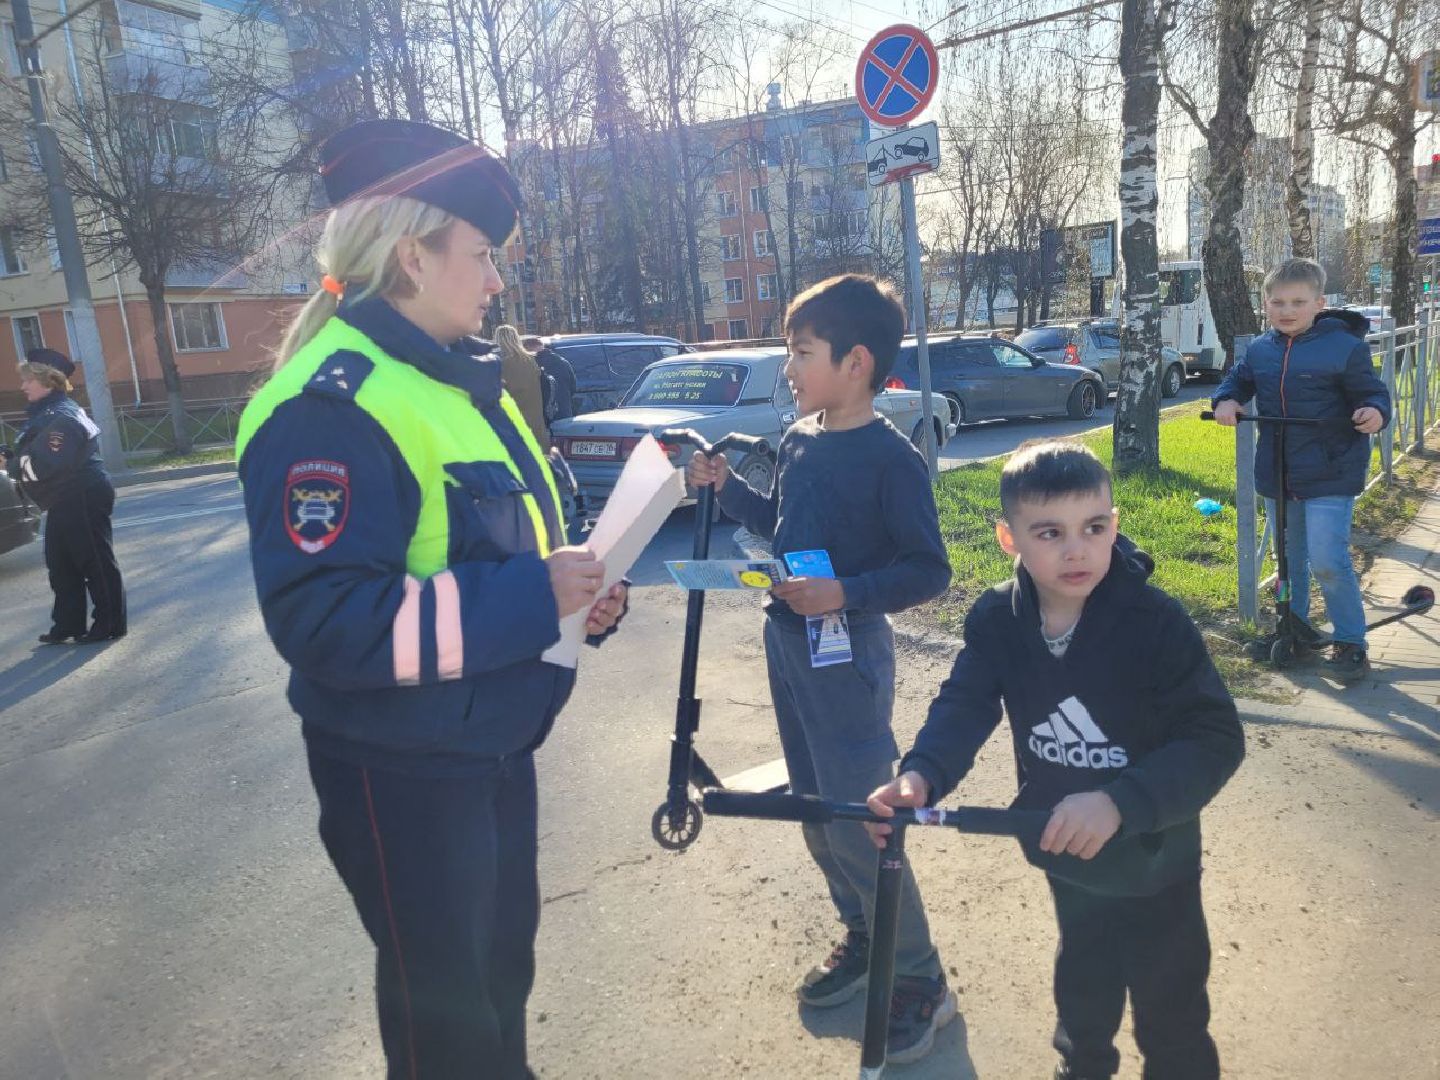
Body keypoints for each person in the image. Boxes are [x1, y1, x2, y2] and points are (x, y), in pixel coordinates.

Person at [234, 118, 628, 1080]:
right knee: (446, 1024)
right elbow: (326, 624)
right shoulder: (330, 406)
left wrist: (576, 597)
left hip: (484, 745)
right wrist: (536, 599)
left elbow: (503, 550)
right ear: (412, 256)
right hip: (403, 772)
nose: (497, 281)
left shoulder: (451, 382)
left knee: (498, 983)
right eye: (483, 255)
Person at [867, 441, 1245, 1080]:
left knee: (1173, 1012)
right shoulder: (997, 619)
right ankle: (1083, 1065)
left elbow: (1215, 737)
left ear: (1114, 526)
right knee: (1083, 986)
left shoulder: (1156, 623)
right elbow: (966, 703)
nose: (1077, 550)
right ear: (1008, 538)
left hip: (1158, 863)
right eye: (1050, 532)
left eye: (1093, 528)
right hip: (1064, 853)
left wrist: (1121, 803)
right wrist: (922, 773)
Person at [686, 273, 955, 1064]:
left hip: (850, 658)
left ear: (857, 362)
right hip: (790, 645)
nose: (789, 370)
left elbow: (928, 569)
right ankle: (867, 935)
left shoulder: (890, 458)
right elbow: (780, 526)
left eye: (801, 353)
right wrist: (727, 488)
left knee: (863, 820)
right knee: (814, 810)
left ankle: (919, 977)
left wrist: (848, 592)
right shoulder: (802, 440)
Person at [1210, 257, 1390, 683]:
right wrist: (1226, 401)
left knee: (1328, 559)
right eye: (1277, 302)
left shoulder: (1346, 347)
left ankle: (1350, 641)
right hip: (1279, 471)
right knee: (1288, 559)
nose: (1286, 310)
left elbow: (1373, 394)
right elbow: (1236, 382)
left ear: (1319, 302)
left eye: (1297, 302)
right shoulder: (1259, 350)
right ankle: (1293, 628)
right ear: (1265, 303)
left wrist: (1374, 412)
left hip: (1331, 470)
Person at [1, 348, 126, 644]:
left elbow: (47, 463)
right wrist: (11, 455)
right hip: (64, 498)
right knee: (61, 564)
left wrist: (13, 466)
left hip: (81, 494)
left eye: (28, 380)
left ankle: (109, 624)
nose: (22, 386)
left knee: (94, 561)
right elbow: (37, 449)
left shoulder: (62, 416)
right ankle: (68, 624)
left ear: (48, 380)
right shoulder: (48, 412)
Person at [493, 324, 550, 449]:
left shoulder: (500, 365)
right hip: (536, 426)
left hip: (513, 428)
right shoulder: (530, 360)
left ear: (498, 341)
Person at [524, 335, 576, 422]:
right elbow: (573, 387)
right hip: (564, 416)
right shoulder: (563, 362)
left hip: (544, 419)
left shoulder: (531, 365)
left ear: (529, 349)